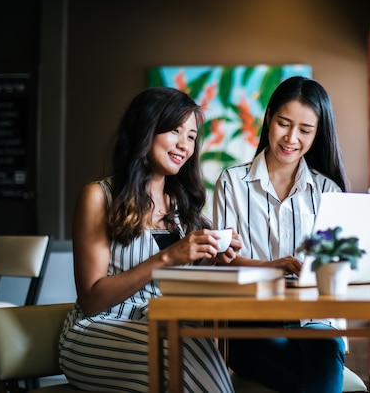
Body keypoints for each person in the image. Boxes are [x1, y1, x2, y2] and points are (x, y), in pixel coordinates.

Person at [59, 87, 239, 392]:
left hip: (164, 323)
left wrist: (214, 259)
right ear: (146, 130)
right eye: (174, 131)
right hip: (101, 328)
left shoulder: (183, 206)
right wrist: (168, 258)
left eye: (192, 136)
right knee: (188, 357)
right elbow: (91, 300)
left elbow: (189, 283)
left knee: (203, 354)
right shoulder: (99, 196)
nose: (184, 145)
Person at [212, 76, 348, 393]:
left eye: (305, 130)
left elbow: (337, 269)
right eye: (284, 124)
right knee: (319, 376)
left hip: (316, 321)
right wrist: (274, 266)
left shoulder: (329, 191)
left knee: (322, 351)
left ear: (318, 133)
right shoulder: (232, 183)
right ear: (269, 117)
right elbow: (222, 262)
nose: (291, 138)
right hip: (253, 322)